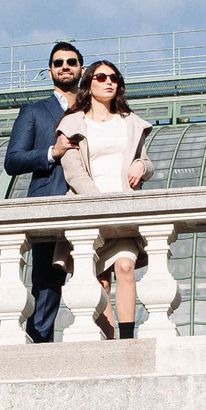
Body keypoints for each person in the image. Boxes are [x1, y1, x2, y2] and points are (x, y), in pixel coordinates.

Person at [57, 60, 153, 339]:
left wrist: (142, 167)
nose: (109, 82)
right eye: (101, 77)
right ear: (88, 84)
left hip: (125, 210)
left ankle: (126, 338)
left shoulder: (130, 122)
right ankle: (112, 342)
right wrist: (99, 205)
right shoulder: (73, 123)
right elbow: (73, 172)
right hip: (90, 210)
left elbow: (145, 161)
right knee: (99, 284)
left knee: (125, 266)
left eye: (114, 78)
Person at [2, 41, 82, 342]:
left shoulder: (95, 111)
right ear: (50, 70)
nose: (65, 66)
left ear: (81, 69)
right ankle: (39, 347)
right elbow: (13, 160)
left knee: (100, 277)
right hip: (49, 203)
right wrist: (52, 151)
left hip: (90, 201)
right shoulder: (34, 112)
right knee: (47, 285)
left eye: (71, 62)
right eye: (59, 62)